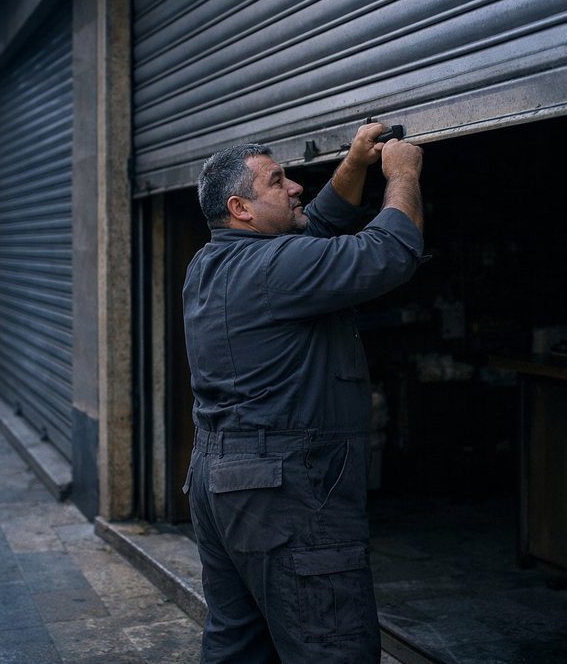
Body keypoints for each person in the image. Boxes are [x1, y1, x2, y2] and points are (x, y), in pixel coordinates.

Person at [182, 122, 426, 663]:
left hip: (220, 480)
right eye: (277, 181)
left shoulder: (210, 263)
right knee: (330, 645)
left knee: (239, 644)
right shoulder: (275, 268)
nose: (294, 188)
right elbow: (390, 251)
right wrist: (402, 175)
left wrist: (355, 164)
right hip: (285, 492)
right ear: (241, 208)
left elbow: (310, 226)